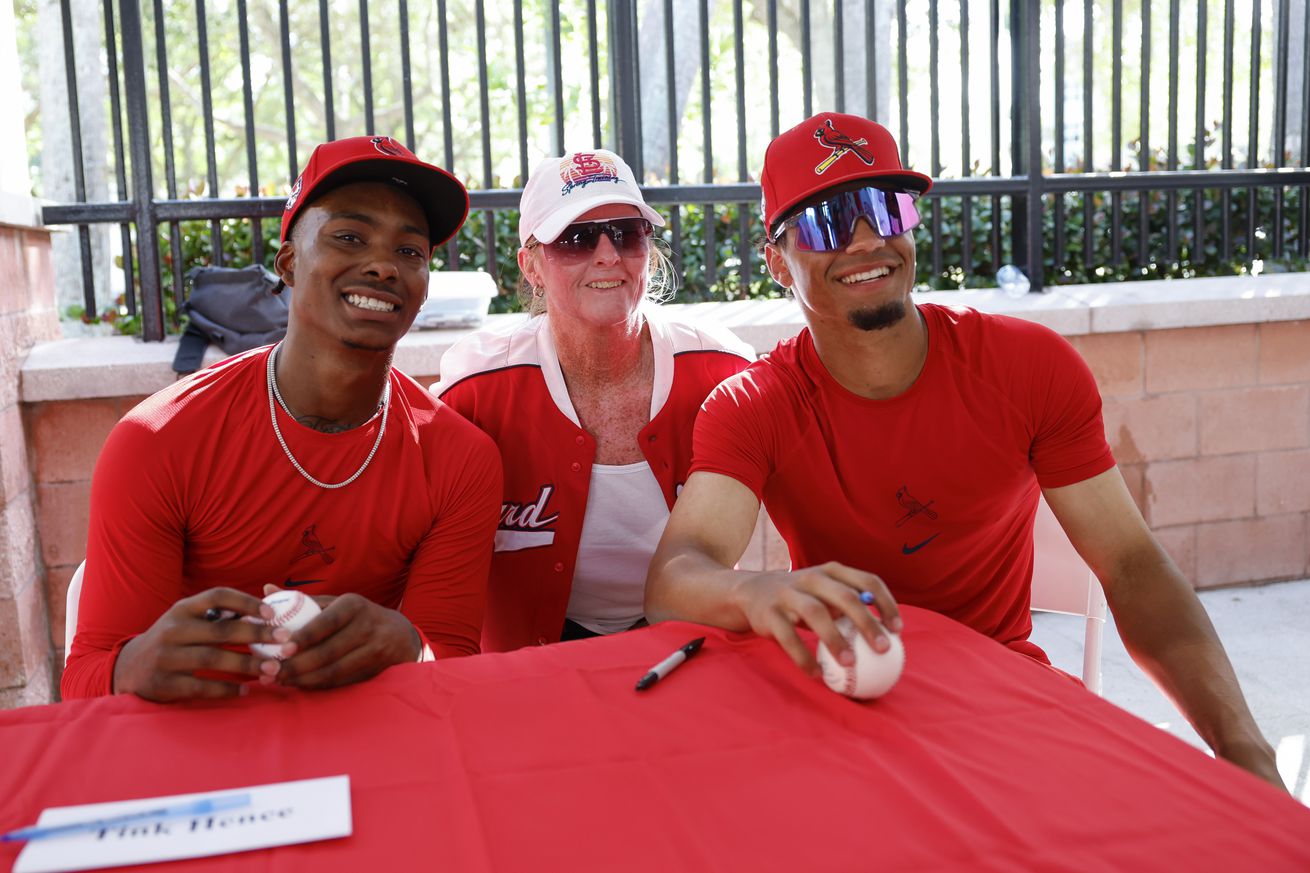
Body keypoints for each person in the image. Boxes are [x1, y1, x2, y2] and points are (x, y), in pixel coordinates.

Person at [644, 112, 1284, 789]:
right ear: (777, 261)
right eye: (828, 223)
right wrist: (755, 589)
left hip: (1005, 702)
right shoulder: (754, 404)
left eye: (884, 209)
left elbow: (1130, 564)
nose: (865, 240)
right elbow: (674, 577)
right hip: (846, 699)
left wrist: (1244, 748)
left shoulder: (1028, 366)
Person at [65, 136, 503, 702]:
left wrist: (410, 645)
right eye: (349, 236)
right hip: (199, 730)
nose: (383, 265)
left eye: (410, 251)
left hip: (365, 726)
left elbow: (449, 663)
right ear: (290, 262)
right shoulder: (158, 439)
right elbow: (85, 682)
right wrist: (133, 666)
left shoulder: (459, 459)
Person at [435, 149, 753, 651]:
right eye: (576, 239)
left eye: (626, 233)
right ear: (532, 266)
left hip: (693, 644)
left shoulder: (722, 373)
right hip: (533, 663)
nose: (608, 255)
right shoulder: (475, 392)